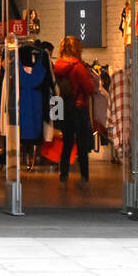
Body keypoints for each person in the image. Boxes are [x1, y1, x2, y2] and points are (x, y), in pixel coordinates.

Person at [53, 35, 96, 190]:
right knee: (82, 145)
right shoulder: (78, 67)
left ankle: (63, 175)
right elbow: (89, 89)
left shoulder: (57, 66)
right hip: (79, 108)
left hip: (64, 108)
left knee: (67, 143)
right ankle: (84, 176)